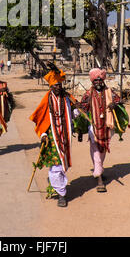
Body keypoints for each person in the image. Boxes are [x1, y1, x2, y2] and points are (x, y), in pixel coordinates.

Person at [29, 67, 78, 207]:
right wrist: (43, 134)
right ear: (51, 86)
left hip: (65, 136)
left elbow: (74, 112)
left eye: (60, 84)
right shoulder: (47, 100)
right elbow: (40, 118)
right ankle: (62, 193)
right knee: (56, 165)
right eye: (56, 85)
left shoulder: (67, 97)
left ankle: (57, 185)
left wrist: (78, 110)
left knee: (62, 164)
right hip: (52, 137)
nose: (58, 87)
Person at [79, 68, 122, 193]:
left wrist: (115, 104)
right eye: (96, 80)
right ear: (92, 81)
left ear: (102, 80)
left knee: (102, 150)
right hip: (94, 127)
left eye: (100, 79)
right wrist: (78, 107)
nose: (98, 82)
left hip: (107, 126)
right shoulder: (88, 94)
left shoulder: (109, 91)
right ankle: (99, 180)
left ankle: (99, 169)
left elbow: (119, 100)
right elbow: (83, 107)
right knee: (96, 150)